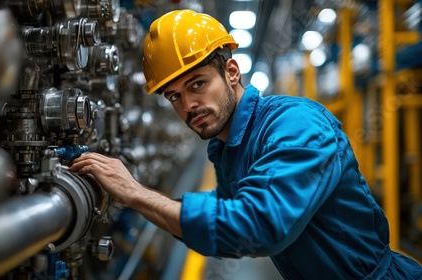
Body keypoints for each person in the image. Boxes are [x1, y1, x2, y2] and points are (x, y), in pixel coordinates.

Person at [69, 9, 422, 279]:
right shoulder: (230, 148)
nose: (188, 106)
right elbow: (224, 211)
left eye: (197, 84)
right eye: (174, 96)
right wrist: (133, 193)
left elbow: (257, 225)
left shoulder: (295, 125)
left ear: (232, 72)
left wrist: (135, 193)